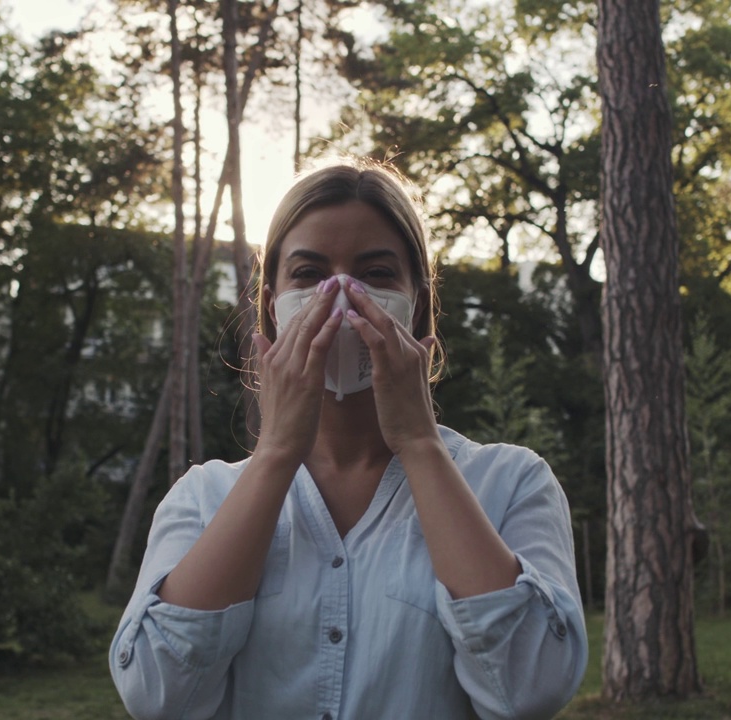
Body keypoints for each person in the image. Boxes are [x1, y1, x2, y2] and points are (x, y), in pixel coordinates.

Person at [110, 157, 587, 720]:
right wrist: (278, 454)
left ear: (417, 305)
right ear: (271, 307)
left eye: (376, 273)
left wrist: (418, 442)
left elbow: (533, 688)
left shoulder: (510, 483)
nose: (340, 294)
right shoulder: (202, 498)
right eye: (309, 274)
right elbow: (155, 695)